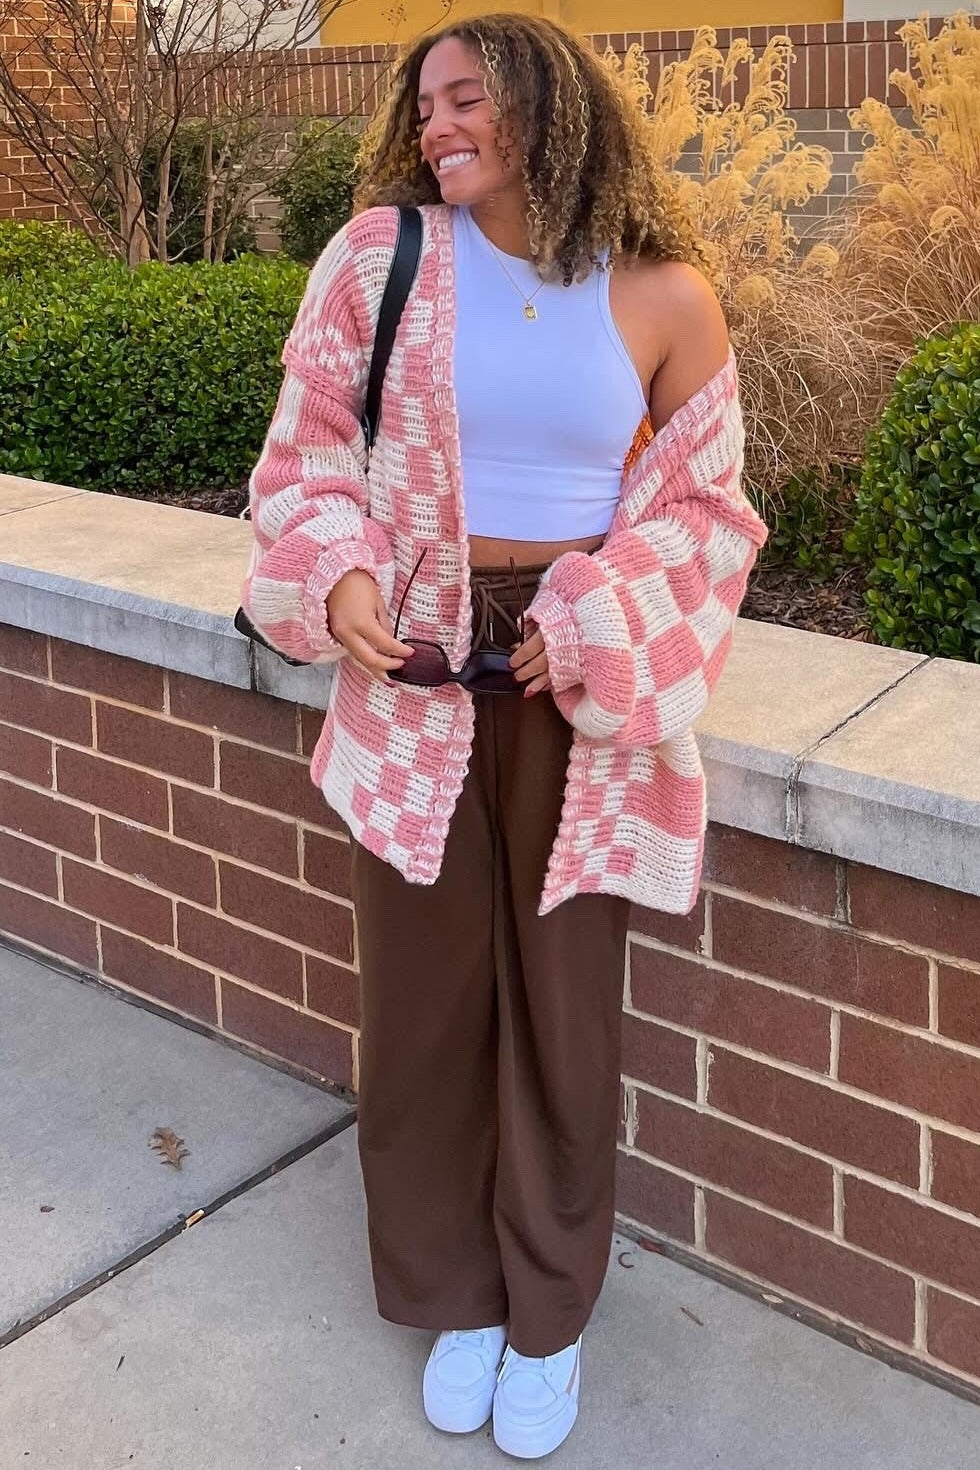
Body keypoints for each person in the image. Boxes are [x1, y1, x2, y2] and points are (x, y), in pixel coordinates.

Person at [241, 12, 767, 1459]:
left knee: (562, 1011)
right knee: (421, 1005)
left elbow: (710, 520)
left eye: (468, 97)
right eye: (425, 105)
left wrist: (596, 616)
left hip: (574, 694)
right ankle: (456, 1290)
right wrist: (337, 569)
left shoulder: (666, 296)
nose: (438, 125)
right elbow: (305, 453)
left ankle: (549, 1312)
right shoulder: (381, 261)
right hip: (411, 669)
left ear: (549, 105)